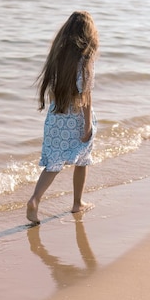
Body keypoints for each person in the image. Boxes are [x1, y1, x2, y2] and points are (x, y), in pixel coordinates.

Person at [26, 11, 99, 223]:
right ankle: (77, 203)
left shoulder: (58, 57)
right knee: (83, 159)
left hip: (56, 117)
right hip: (76, 118)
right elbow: (85, 95)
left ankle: (35, 199)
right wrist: (87, 126)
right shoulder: (85, 61)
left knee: (54, 162)